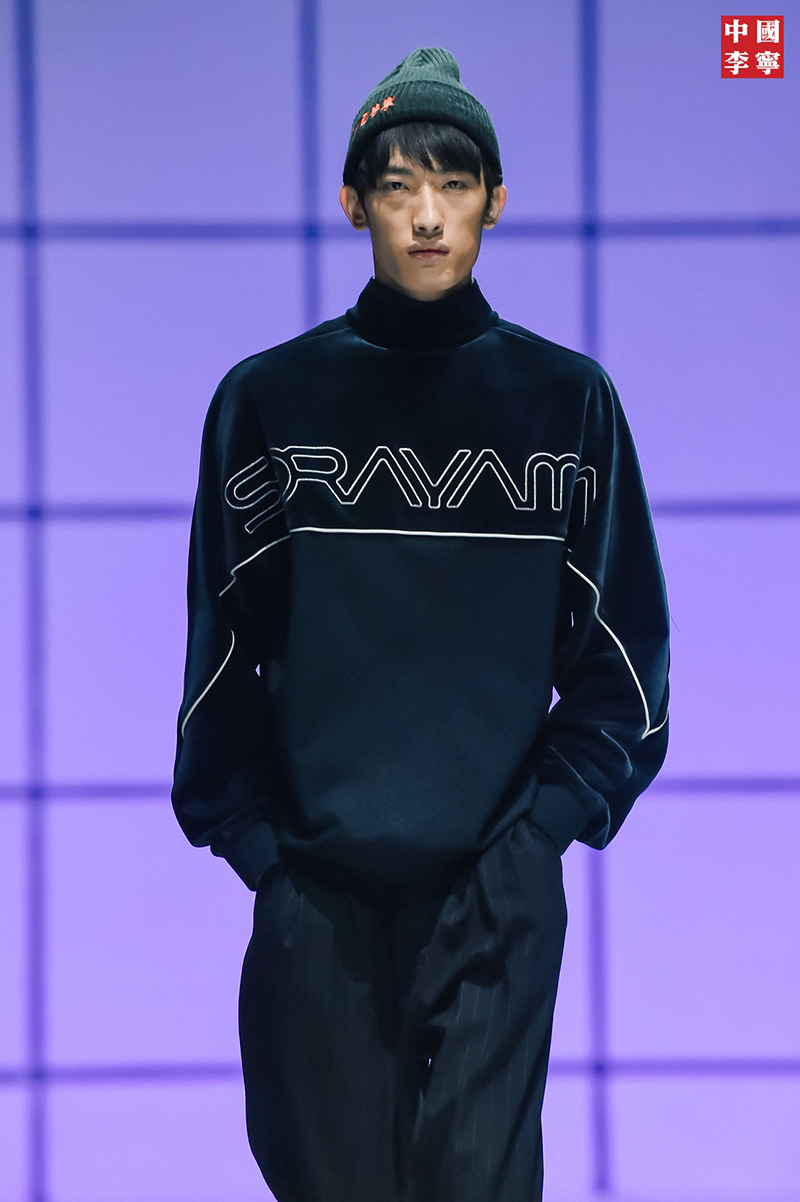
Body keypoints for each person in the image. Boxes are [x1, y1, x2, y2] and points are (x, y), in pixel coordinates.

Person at [172, 46, 669, 1202]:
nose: (428, 215)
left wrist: (538, 835)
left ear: (495, 200)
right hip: (315, 893)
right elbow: (222, 651)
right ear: (354, 203)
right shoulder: (267, 400)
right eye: (397, 186)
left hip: (495, 887)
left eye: (453, 182)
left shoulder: (564, 402)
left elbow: (624, 660)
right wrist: (263, 855)